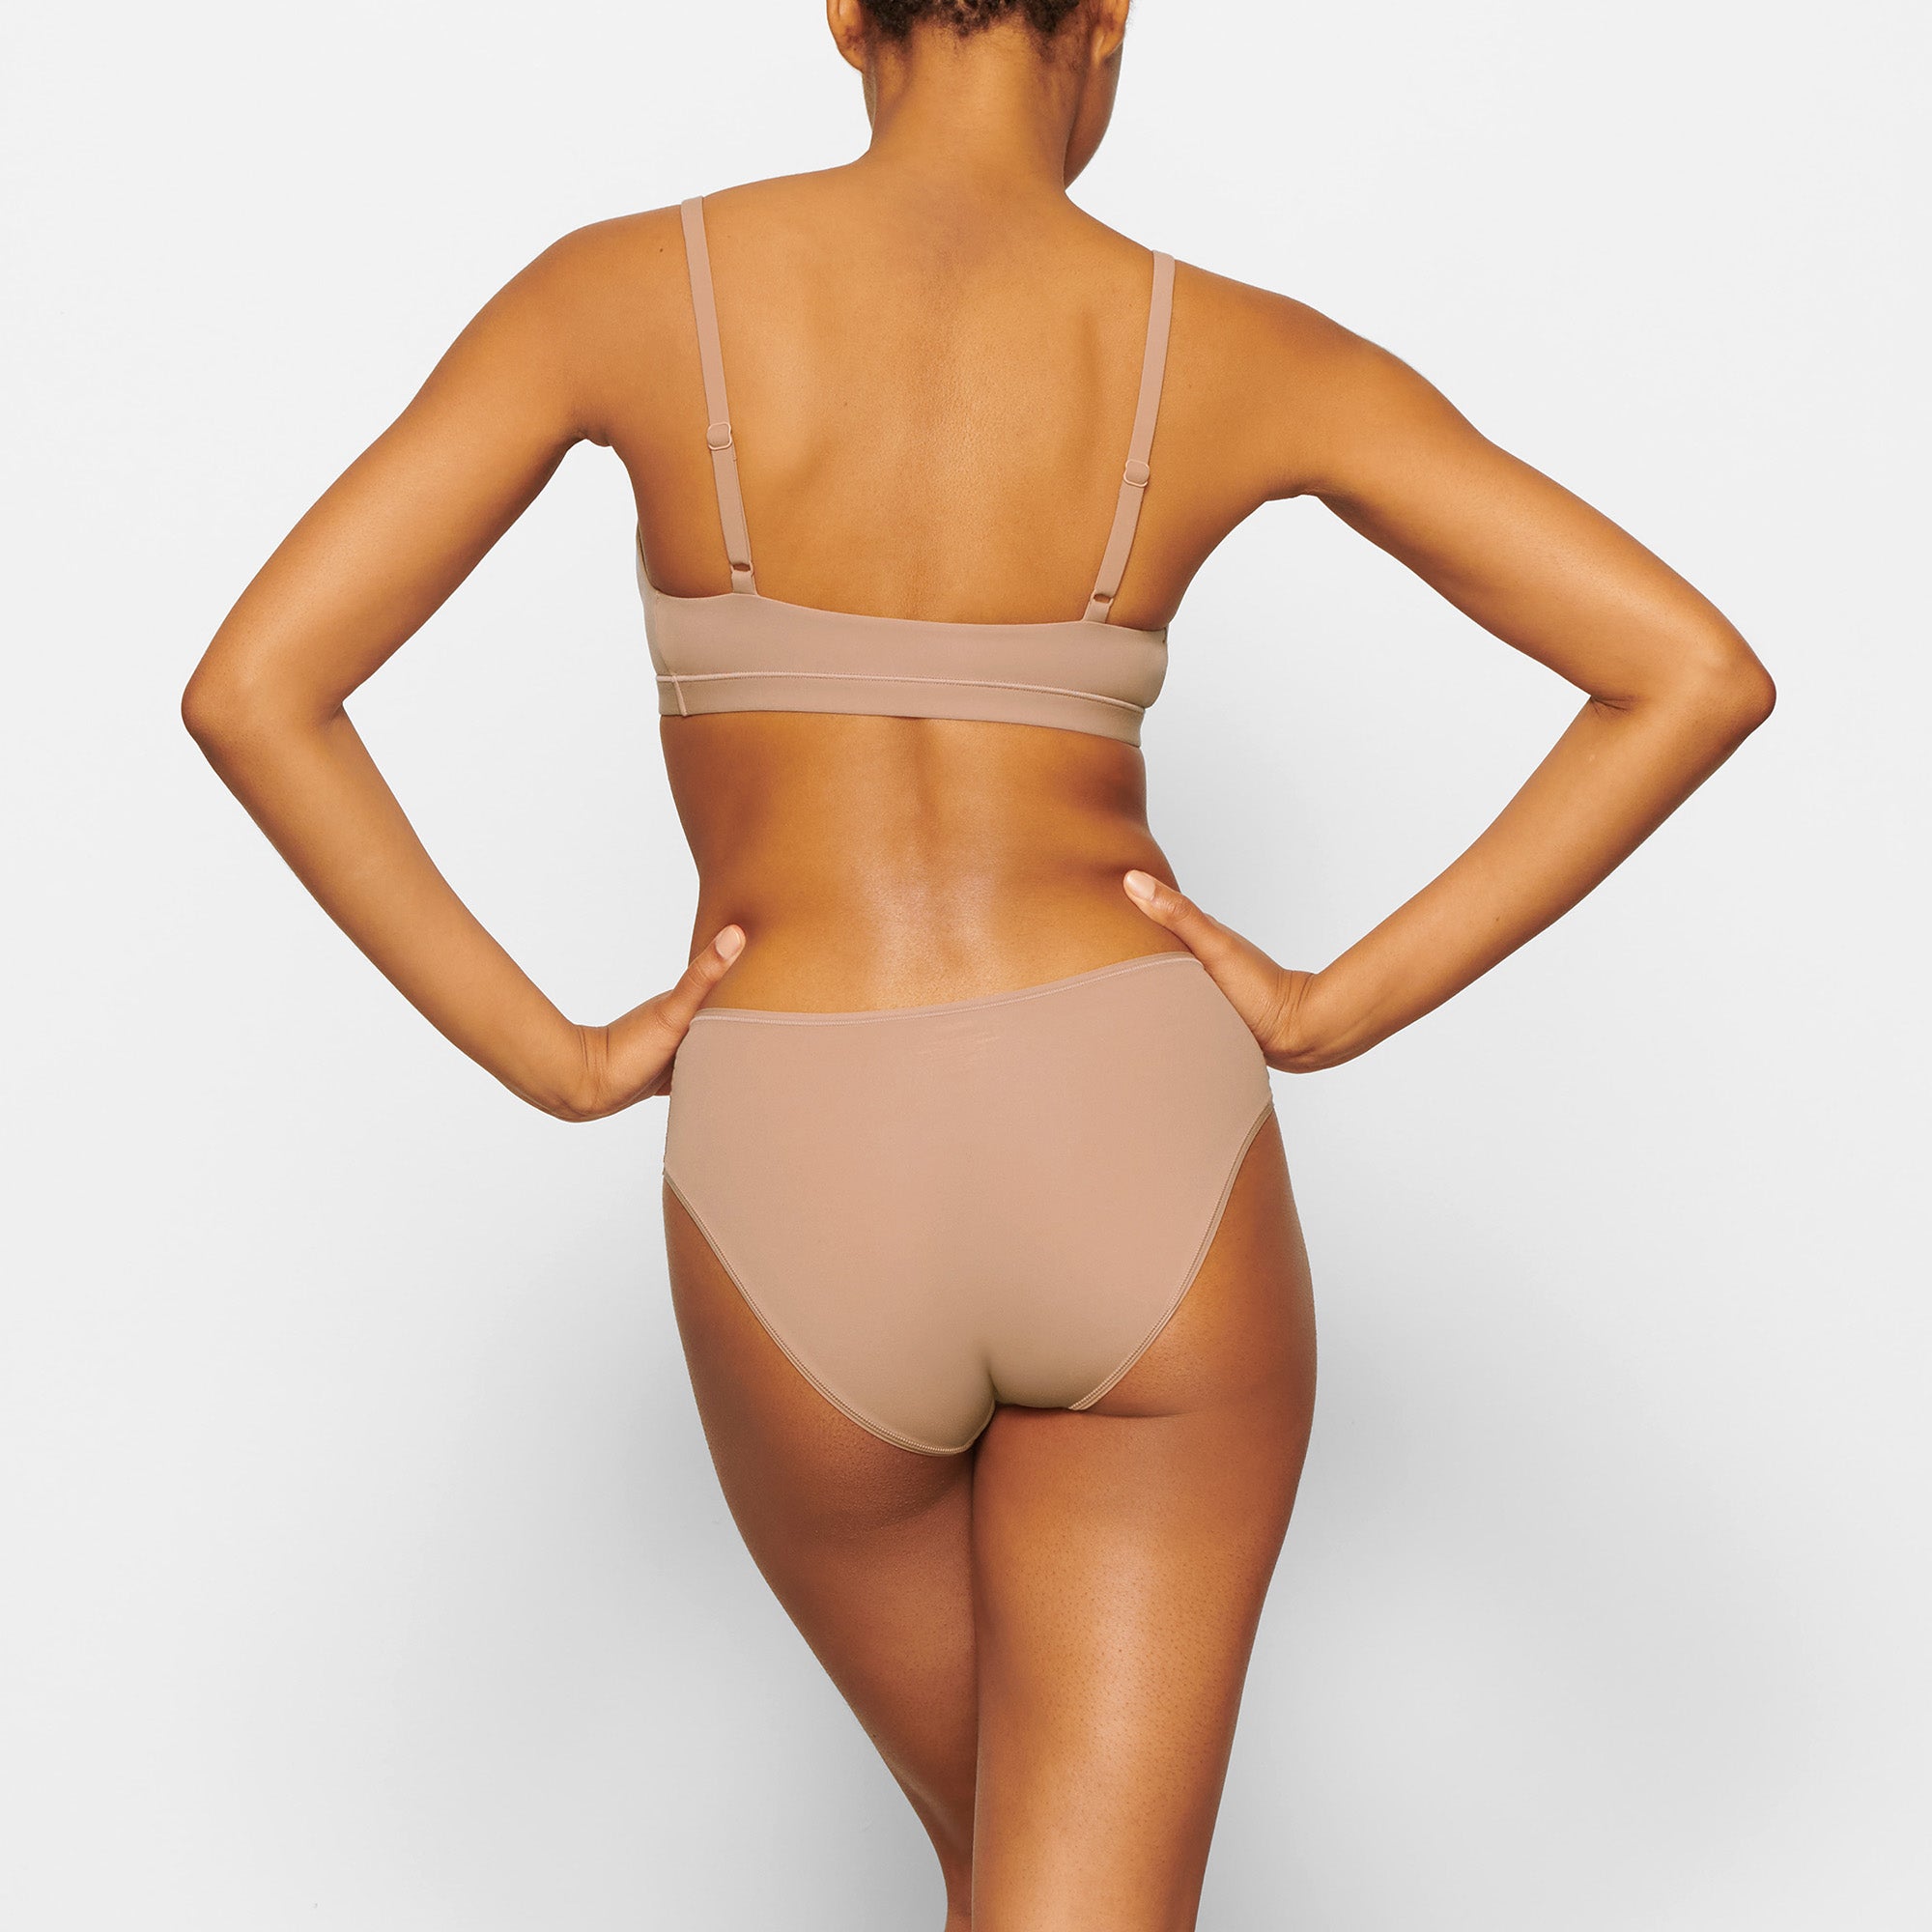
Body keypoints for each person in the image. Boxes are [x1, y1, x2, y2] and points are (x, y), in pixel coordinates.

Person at [181, 0, 1776, 1923]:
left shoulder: (614, 296)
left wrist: (559, 1052)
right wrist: (1326, 1006)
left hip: (792, 1148)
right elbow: (1690, 672)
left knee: (1003, 1871)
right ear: (1106, 23)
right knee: (1061, 1890)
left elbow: (255, 688)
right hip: (1130, 1137)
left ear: (843, 12)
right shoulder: (1237, 348)